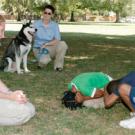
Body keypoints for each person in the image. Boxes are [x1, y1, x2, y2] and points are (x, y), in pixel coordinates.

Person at [33, 5, 68, 71]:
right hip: (39, 48)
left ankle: (58, 66)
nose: (46, 15)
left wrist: (46, 44)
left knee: (63, 44)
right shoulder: (36, 24)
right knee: (44, 61)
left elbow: (57, 39)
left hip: (50, 47)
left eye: (49, 13)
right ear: (43, 13)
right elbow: (31, 36)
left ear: (52, 15)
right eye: (45, 12)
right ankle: (41, 63)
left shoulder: (54, 25)